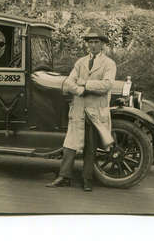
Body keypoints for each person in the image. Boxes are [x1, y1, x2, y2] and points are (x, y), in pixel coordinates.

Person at [46, 27, 116, 191]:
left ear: (103, 44)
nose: (93, 45)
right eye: (90, 42)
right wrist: (79, 90)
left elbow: (106, 85)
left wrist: (84, 83)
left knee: (90, 147)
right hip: (78, 109)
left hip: (94, 112)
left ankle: (87, 180)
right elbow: (69, 82)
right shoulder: (81, 62)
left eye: (96, 42)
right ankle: (64, 177)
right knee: (70, 145)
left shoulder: (109, 64)